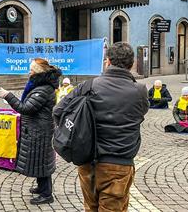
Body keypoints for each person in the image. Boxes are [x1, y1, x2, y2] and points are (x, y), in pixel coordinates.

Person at [53, 42, 149, 211]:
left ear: (108, 62)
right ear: (132, 64)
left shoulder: (88, 86)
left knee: (90, 207)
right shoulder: (139, 90)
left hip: (88, 160)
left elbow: (58, 110)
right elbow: (141, 113)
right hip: (119, 163)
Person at [0, 58, 61, 205]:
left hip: (40, 131)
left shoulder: (43, 89)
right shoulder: (40, 86)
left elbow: (26, 108)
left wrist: (8, 95)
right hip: (38, 130)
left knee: (42, 162)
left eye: (31, 70)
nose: (29, 72)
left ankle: (46, 194)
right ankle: (42, 187)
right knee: (39, 160)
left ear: (37, 73)